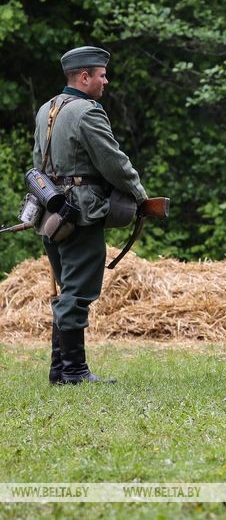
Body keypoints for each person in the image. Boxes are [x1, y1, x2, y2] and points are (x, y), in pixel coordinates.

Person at [33, 46, 148, 384]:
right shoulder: (87, 112)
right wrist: (139, 194)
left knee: (66, 289)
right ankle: (74, 372)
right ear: (84, 78)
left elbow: (38, 159)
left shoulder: (47, 109)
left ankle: (60, 369)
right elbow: (113, 161)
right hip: (81, 214)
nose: (105, 81)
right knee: (77, 292)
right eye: (101, 75)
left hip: (50, 213)